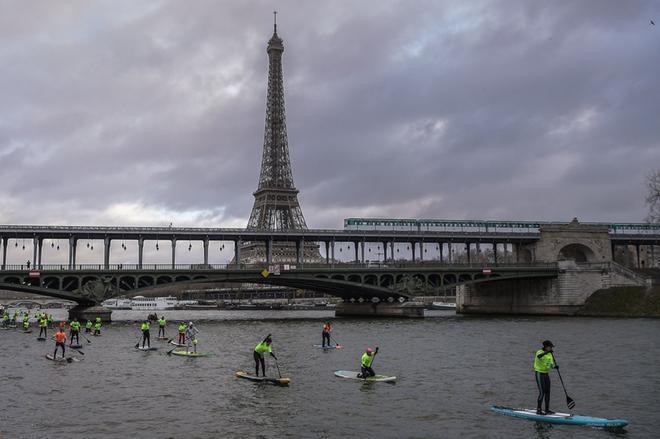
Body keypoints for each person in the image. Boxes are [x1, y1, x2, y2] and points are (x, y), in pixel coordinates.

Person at [534, 340, 557, 415]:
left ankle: (547, 410)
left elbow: (550, 365)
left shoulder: (550, 355)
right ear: (546, 347)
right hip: (539, 373)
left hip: (546, 374)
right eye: (550, 347)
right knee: (542, 392)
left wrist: (555, 367)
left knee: (547, 392)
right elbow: (539, 356)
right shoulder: (539, 352)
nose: (551, 348)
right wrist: (547, 352)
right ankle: (538, 410)